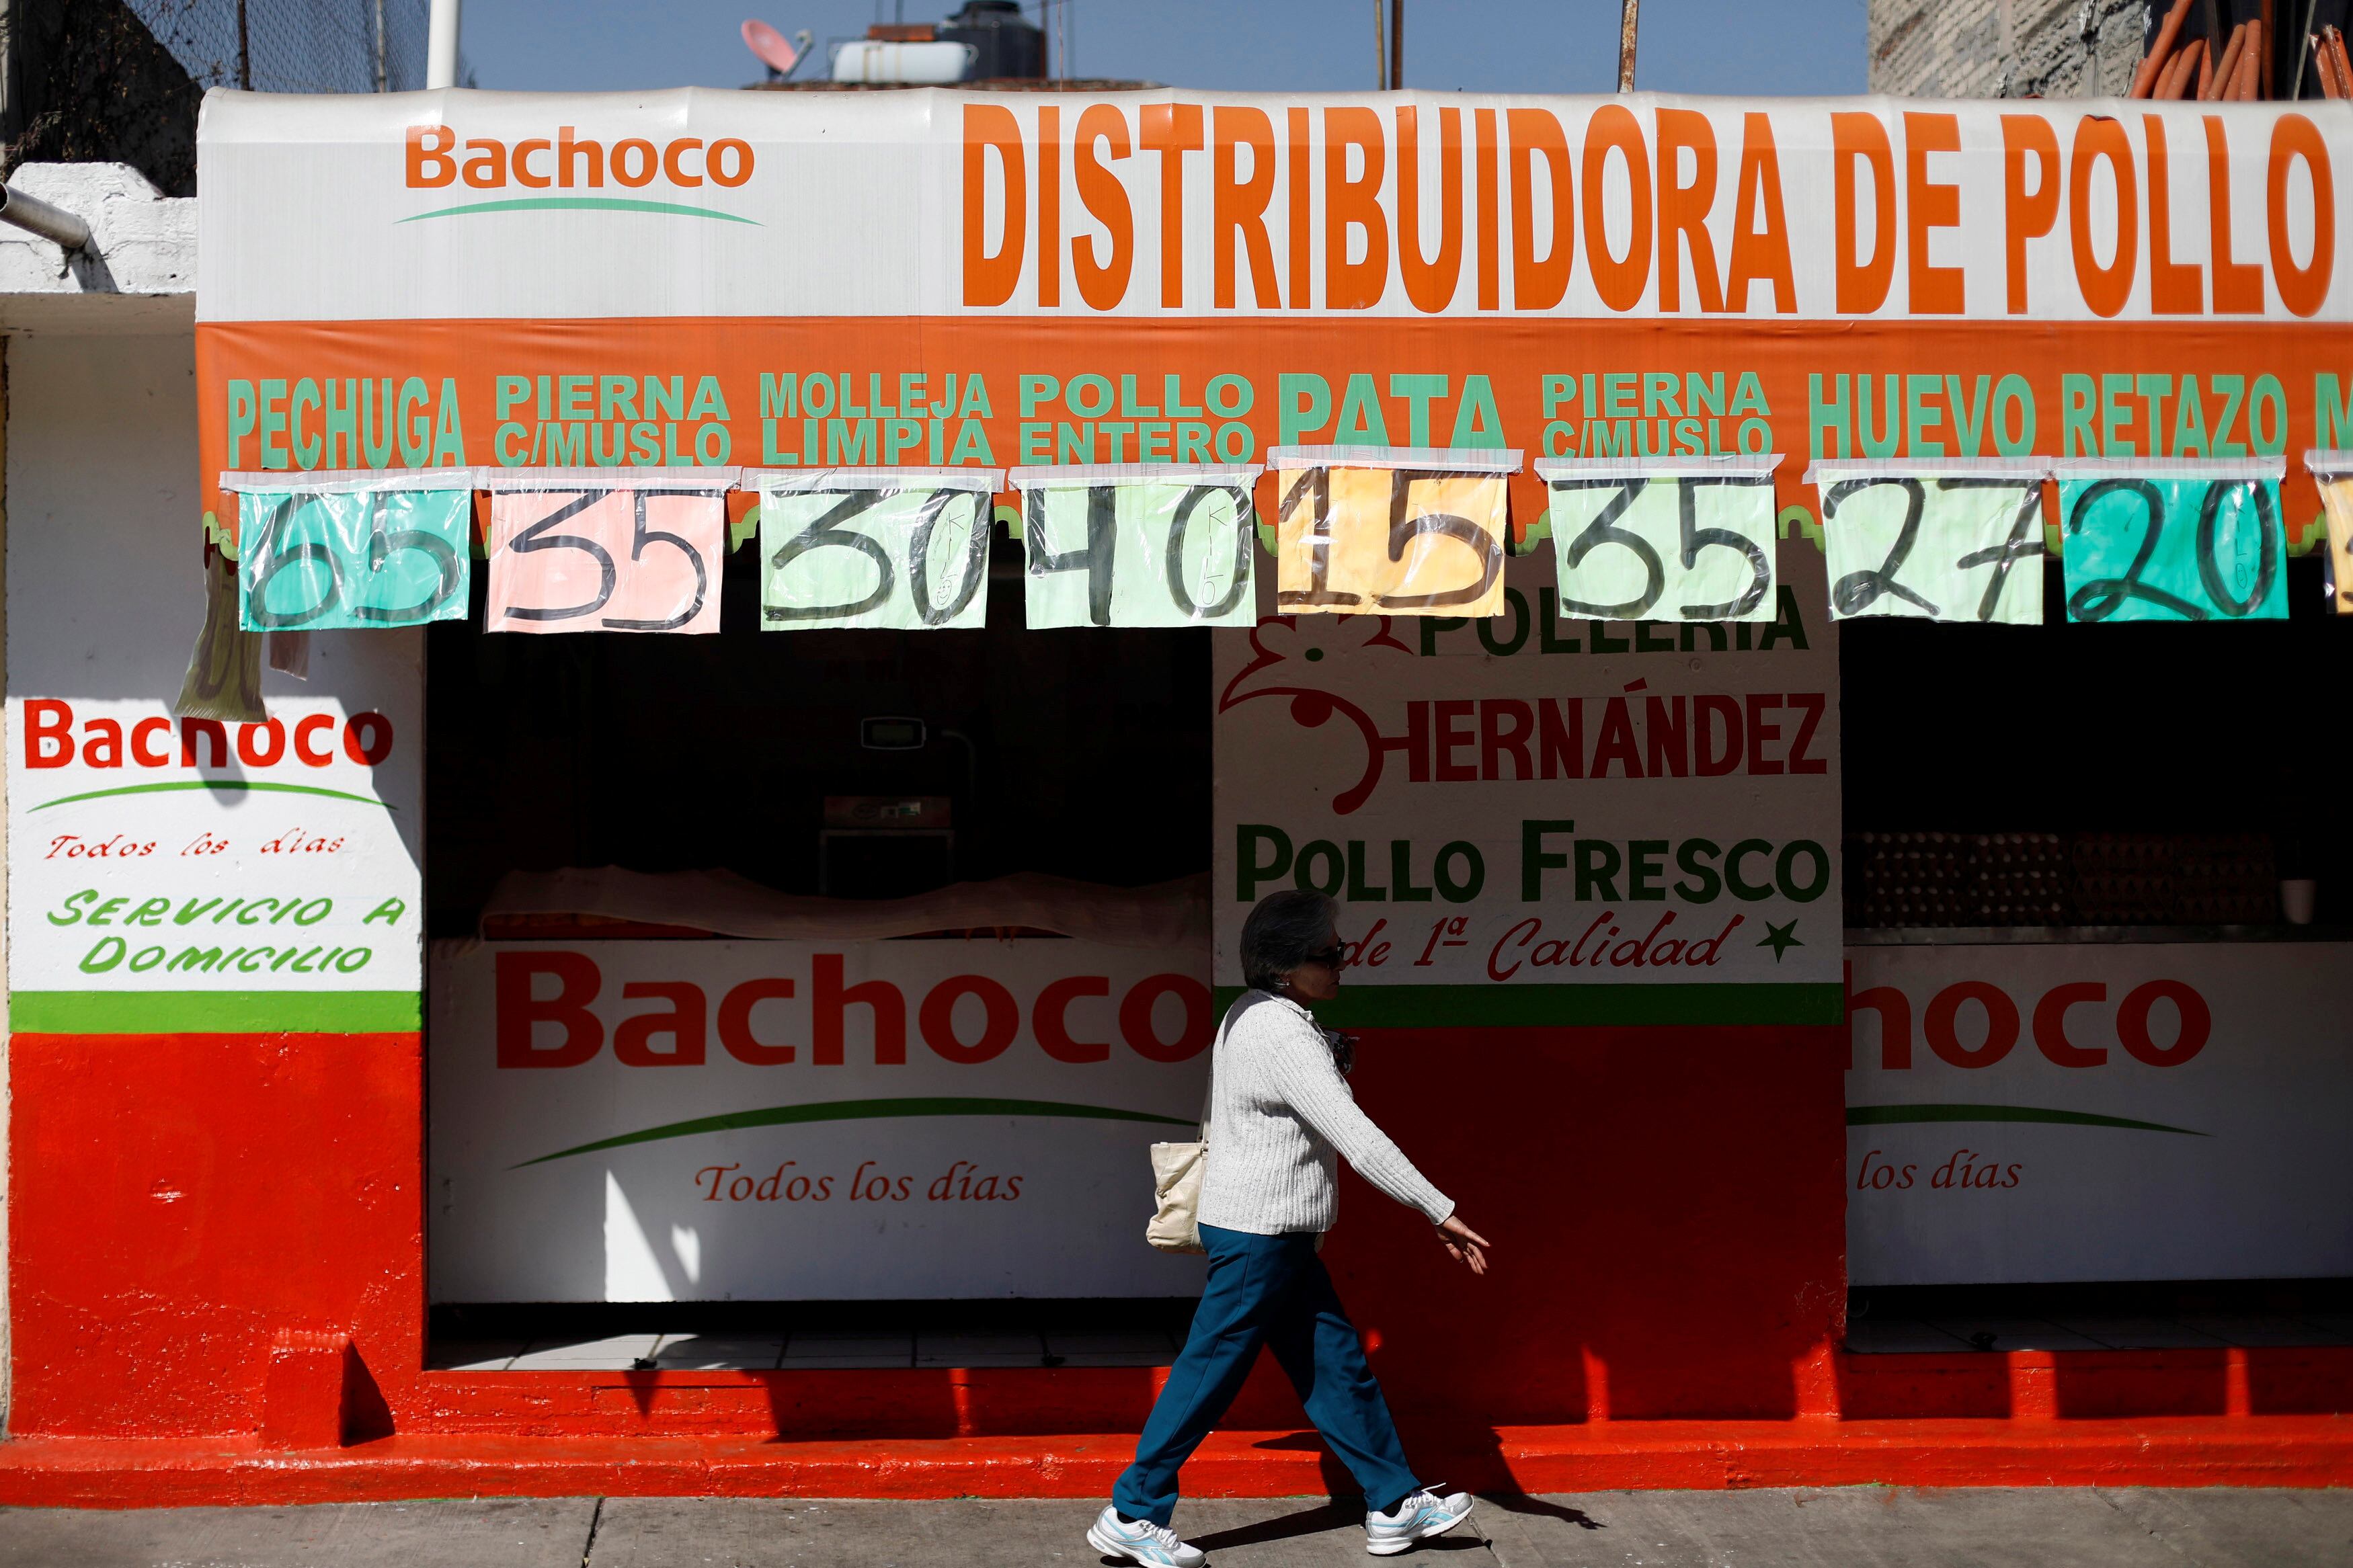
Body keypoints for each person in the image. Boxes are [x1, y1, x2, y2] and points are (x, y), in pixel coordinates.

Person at [1088, 890, 1492, 1566]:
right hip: (1258, 1236)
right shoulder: (1280, 1030)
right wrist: (1437, 1208)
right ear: (1284, 964)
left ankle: (1392, 1501)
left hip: (1275, 1236)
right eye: (1328, 953)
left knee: (1336, 1367)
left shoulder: (1251, 1015)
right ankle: (1133, 1508)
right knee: (1207, 1372)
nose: (1342, 963)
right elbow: (1355, 1137)